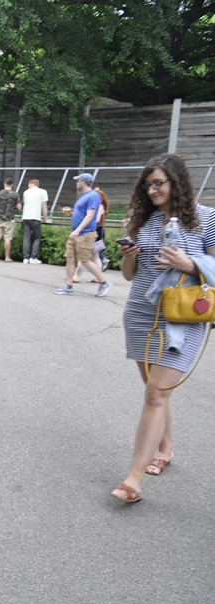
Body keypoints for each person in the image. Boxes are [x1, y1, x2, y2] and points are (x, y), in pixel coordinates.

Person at [110, 154, 215, 503]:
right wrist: (129, 253)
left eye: (159, 183)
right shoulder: (143, 222)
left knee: (156, 393)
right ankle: (165, 449)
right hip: (141, 312)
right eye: (148, 185)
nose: (152, 190)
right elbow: (129, 275)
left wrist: (191, 263)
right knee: (155, 390)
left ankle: (134, 479)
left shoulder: (206, 219)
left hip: (182, 318)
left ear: (177, 182)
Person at [53, 174, 112, 297]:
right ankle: (68, 286)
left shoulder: (93, 196)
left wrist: (77, 231)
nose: (76, 183)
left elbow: (90, 215)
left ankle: (104, 282)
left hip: (85, 234)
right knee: (70, 257)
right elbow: (84, 213)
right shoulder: (84, 197)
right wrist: (72, 214)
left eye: (78, 181)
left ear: (84, 182)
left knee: (85, 260)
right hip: (77, 233)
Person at [0, 178, 20, 262]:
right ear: (12, 185)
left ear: (4, 184)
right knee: (7, 238)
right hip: (9, 219)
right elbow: (19, 208)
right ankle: (7, 257)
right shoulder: (15, 195)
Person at [20, 178, 48, 264]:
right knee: (37, 237)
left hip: (25, 217)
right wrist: (45, 219)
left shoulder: (26, 192)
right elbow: (44, 206)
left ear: (32, 183)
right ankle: (33, 257)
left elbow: (25, 204)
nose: (28, 186)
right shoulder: (43, 192)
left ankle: (25, 258)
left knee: (26, 238)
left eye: (29, 184)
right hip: (36, 217)